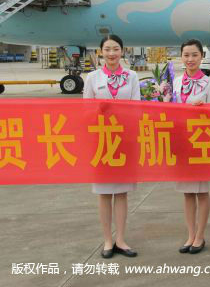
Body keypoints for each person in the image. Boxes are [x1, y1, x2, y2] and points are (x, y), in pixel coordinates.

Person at [83, 34, 140, 259]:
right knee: (104, 194)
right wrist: (97, 111)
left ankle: (121, 239)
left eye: (115, 49)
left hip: (124, 140)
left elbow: (137, 107)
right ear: (101, 52)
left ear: (122, 51)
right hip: (102, 142)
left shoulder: (132, 76)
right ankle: (108, 240)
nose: (111, 53)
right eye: (107, 49)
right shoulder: (92, 77)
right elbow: (85, 110)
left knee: (122, 192)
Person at [173, 39, 210, 255]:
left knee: (202, 191)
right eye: (186, 55)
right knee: (187, 193)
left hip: (201, 141)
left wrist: (204, 109)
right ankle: (190, 234)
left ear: (202, 57)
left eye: (194, 55)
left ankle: (200, 235)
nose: (190, 59)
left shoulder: (209, 83)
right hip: (181, 142)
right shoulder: (177, 81)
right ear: (181, 56)